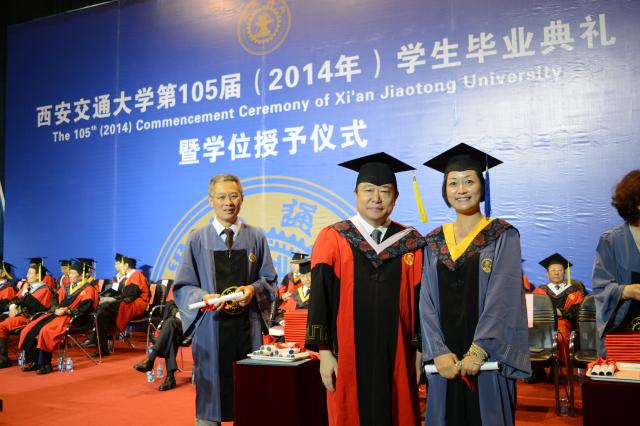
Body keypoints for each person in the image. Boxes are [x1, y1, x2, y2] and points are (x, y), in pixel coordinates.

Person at [305, 152, 426, 426]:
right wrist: (324, 352)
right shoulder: (333, 238)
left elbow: (422, 304)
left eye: (385, 191)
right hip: (346, 356)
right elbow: (320, 300)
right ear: (356, 194)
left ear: (396, 197)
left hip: (399, 355)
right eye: (369, 190)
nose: (376, 198)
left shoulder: (411, 243)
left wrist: (419, 352)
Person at [420, 143, 530, 426]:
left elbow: (504, 297)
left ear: (482, 186)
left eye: (469, 181)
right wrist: (437, 351)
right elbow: (426, 302)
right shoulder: (433, 242)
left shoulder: (502, 235)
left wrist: (479, 350)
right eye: (453, 183)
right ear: (445, 190)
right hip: (445, 363)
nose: (461, 190)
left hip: (487, 361)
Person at [173, 173, 277, 426]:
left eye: (233, 196)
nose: (228, 202)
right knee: (210, 404)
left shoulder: (256, 236)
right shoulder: (197, 239)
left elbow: (269, 280)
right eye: (221, 197)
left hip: (247, 330)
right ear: (211, 200)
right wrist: (203, 296)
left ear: (242, 198)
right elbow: (183, 285)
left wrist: (252, 290)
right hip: (211, 331)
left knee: (248, 399)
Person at [18, 260, 98, 374]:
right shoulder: (67, 286)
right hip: (58, 314)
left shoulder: (88, 289)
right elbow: (54, 298)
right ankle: (35, 361)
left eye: (73, 273)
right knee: (30, 328)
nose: (69, 275)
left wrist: (68, 310)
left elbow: (87, 308)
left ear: (81, 275)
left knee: (45, 331)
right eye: (70, 273)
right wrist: (56, 308)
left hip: (75, 318)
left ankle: (46, 364)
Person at [592, 169, 640, 356]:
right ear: (637, 204)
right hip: (623, 332)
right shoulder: (611, 240)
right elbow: (601, 287)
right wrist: (627, 291)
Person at [84, 254, 149, 356]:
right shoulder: (120, 277)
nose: (115, 266)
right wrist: (107, 297)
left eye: (118, 264)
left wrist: (111, 299)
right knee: (102, 314)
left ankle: (93, 338)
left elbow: (130, 296)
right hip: (122, 303)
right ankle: (102, 348)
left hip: (135, 304)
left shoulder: (136, 275)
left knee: (104, 306)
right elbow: (115, 292)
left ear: (126, 265)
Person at [533, 253, 584, 367]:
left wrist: (558, 312)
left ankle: (559, 368)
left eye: (559, 270)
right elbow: (533, 312)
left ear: (564, 273)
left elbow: (578, 313)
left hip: (563, 324)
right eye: (553, 270)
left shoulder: (574, 291)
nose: (556, 273)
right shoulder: (539, 291)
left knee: (560, 333)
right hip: (542, 325)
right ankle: (538, 369)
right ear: (547, 274)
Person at [0, 262, 54, 368]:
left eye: (30, 273)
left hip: (30, 319)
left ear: (38, 275)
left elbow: (34, 309)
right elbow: (15, 299)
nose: (27, 275)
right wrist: (12, 307)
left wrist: (25, 294)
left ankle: (3, 359)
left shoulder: (44, 290)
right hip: (19, 316)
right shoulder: (28, 287)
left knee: (1, 326)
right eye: (27, 273)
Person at [133, 285, 184, 391]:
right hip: (176, 323)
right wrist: (176, 313)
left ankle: (151, 359)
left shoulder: (200, 283)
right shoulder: (177, 284)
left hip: (192, 323)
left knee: (170, 326)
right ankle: (170, 378)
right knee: (171, 330)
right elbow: (169, 304)